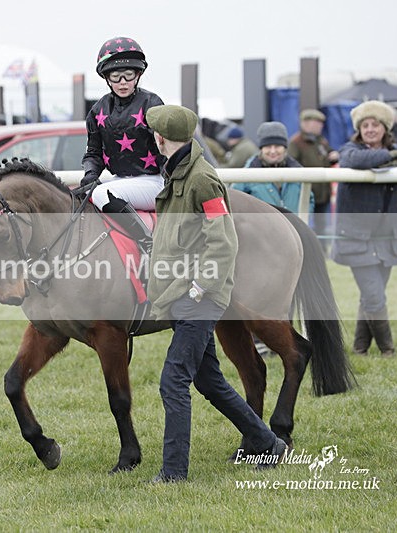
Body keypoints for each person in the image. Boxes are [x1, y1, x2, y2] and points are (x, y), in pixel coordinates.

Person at [145, 104, 286, 482]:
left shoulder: (202, 179)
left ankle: (174, 473)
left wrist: (199, 287)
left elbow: (222, 242)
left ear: (160, 138)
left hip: (198, 297)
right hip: (183, 294)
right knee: (209, 381)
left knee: (173, 381)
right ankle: (269, 444)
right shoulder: (177, 171)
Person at [333, 100, 397, 357]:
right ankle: (388, 350)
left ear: (385, 128)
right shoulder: (351, 148)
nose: (369, 129)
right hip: (356, 238)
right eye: (365, 125)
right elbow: (352, 159)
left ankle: (359, 348)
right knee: (374, 296)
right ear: (359, 129)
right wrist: (391, 158)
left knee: (370, 296)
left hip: (388, 237)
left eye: (375, 124)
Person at [80, 36, 164, 253]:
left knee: (100, 195)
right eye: (116, 77)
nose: (123, 82)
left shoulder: (152, 104)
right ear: (106, 77)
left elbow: (165, 149)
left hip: (154, 181)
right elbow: (93, 153)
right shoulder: (98, 110)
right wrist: (90, 175)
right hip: (121, 182)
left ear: (139, 75)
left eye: (129, 75)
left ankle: (147, 243)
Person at [232, 121, 314, 214]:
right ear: (261, 149)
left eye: (277, 146)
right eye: (268, 146)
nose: (273, 151)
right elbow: (234, 204)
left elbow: (309, 200)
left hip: (294, 227)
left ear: (285, 148)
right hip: (262, 228)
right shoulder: (245, 176)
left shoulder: (299, 173)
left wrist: (301, 223)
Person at [288, 109, 339, 247]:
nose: (320, 126)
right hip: (305, 193)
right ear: (305, 123)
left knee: (321, 224)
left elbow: (327, 158)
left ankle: (322, 251)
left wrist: (333, 157)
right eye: (316, 122)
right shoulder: (295, 142)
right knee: (304, 223)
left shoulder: (321, 141)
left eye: (320, 123)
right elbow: (291, 165)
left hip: (322, 193)